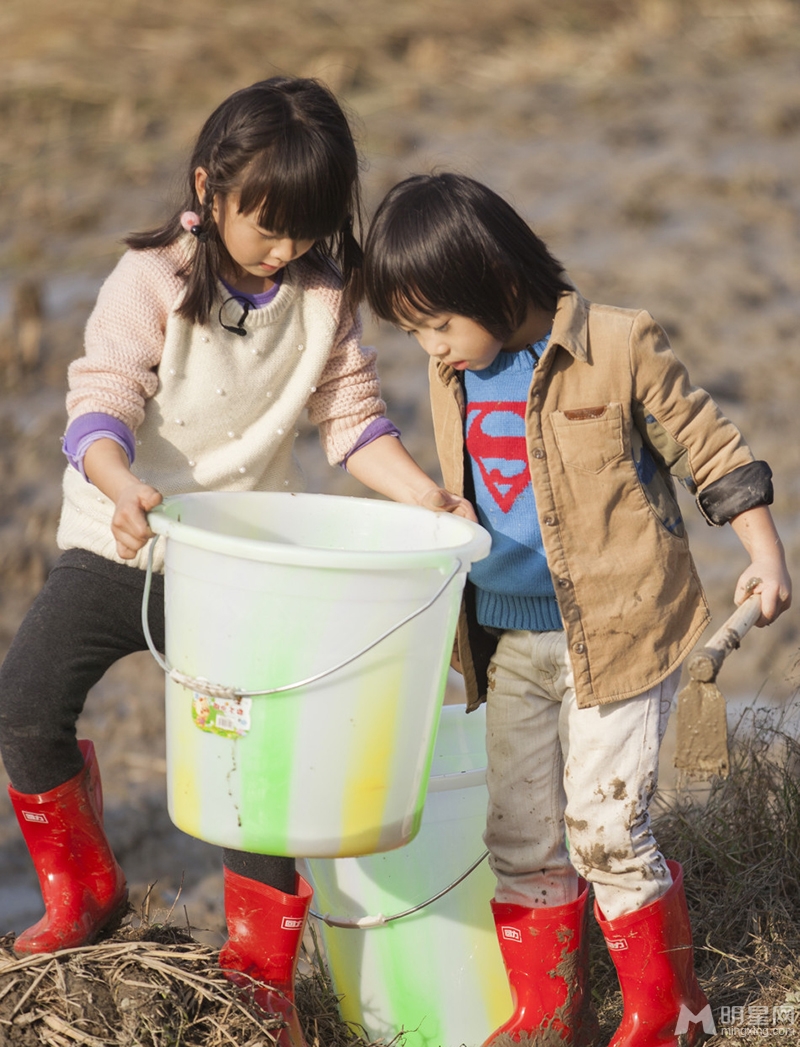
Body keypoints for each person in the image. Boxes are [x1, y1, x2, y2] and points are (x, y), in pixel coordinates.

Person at [0, 80, 472, 1047]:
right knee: (25, 702)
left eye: (308, 226)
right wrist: (120, 481)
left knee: (256, 773)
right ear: (207, 187)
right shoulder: (153, 279)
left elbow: (350, 421)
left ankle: (261, 976)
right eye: (268, 222)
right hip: (122, 534)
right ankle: (84, 886)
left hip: (234, 566)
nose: (286, 246)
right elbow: (100, 400)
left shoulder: (324, 296)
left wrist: (424, 494)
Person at [363, 172, 792, 1047]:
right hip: (507, 641)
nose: (432, 350)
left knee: (603, 826)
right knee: (519, 833)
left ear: (496, 280)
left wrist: (763, 551)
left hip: (619, 635)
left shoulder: (619, 344)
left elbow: (708, 443)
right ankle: (550, 1013)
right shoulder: (454, 372)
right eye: (415, 333)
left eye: (438, 325)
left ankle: (672, 1010)